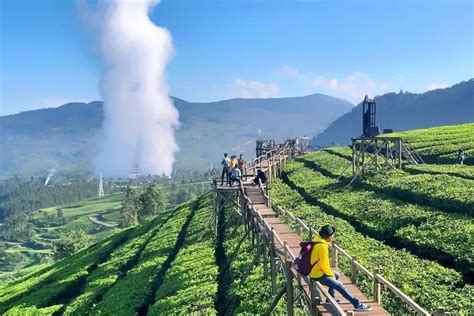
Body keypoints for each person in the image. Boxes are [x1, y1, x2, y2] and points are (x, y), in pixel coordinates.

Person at [309, 225, 372, 311]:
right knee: (339, 285)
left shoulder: (317, 240)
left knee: (337, 275)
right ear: (329, 236)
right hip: (317, 274)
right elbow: (324, 265)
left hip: (314, 271)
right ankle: (357, 304)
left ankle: (329, 298)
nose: (332, 237)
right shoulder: (322, 247)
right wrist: (331, 276)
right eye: (332, 235)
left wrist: (332, 275)